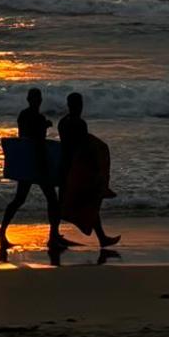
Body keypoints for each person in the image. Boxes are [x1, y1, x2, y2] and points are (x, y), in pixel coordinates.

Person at [0, 88, 64, 251]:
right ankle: (53, 236)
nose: (37, 101)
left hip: (27, 162)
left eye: (38, 98)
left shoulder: (23, 115)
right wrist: (44, 125)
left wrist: (43, 125)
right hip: (38, 163)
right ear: (32, 100)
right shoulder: (36, 117)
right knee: (51, 199)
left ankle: (2, 230)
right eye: (35, 98)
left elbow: (24, 136)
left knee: (21, 199)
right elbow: (36, 139)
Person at [57, 92, 120, 248]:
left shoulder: (62, 122)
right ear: (77, 105)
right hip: (79, 170)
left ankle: (55, 235)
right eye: (79, 104)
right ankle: (54, 236)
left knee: (64, 203)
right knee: (89, 202)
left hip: (64, 167)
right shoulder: (79, 124)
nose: (81, 107)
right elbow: (84, 147)